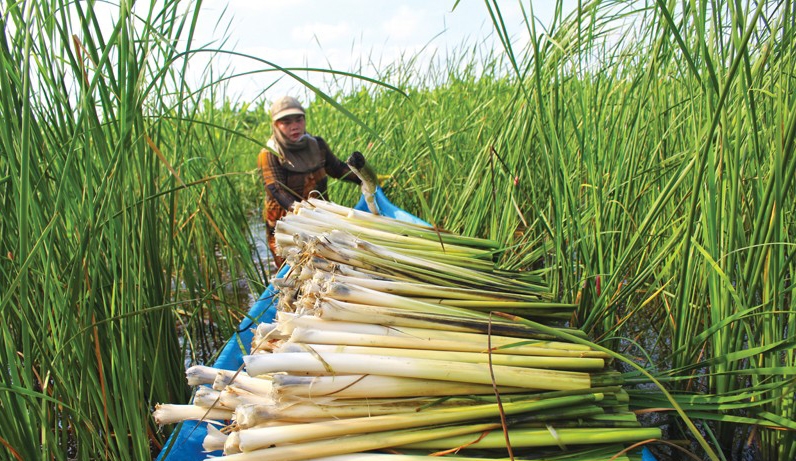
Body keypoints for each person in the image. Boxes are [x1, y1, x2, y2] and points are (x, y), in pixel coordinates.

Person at [257, 95, 361, 267]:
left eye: (299, 119)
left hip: (320, 218)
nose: (294, 126)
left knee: (328, 266)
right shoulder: (270, 153)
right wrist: (303, 213)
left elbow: (337, 168)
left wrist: (364, 179)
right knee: (293, 272)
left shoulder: (317, 145)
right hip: (286, 225)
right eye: (286, 122)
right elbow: (277, 190)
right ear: (275, 125)